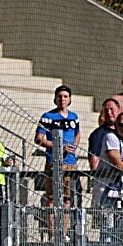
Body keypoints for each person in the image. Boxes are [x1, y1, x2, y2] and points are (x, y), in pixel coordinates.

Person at [35, 85, 79, 235]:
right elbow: (39, 139)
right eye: (60, 96)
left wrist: (74, 146)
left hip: (70, 163)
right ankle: (53, 234)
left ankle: (64, 234)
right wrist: (59, 147)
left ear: (70, 99)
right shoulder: (48, 116)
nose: (62, 99)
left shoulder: (74, 117)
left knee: (67, 199)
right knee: (52, 199)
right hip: (53, 162)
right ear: (55, 98)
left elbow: (77, 134)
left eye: (65, 96)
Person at [87, 98, 120, 171]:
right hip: (106, 176)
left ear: (119, 111)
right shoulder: (98, 134)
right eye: (106, 110)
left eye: (112, 109)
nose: (109, 112)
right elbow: (94, 158)